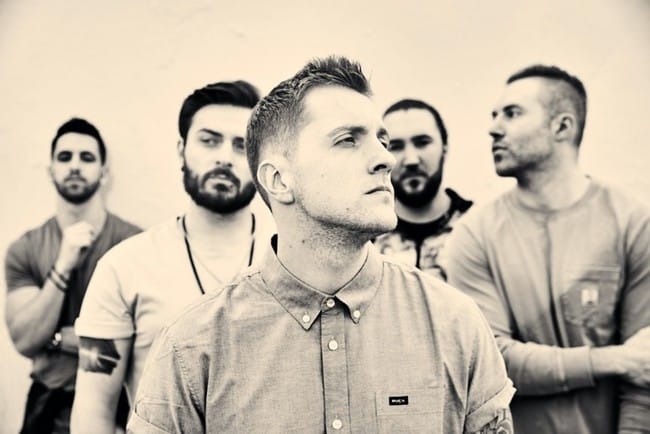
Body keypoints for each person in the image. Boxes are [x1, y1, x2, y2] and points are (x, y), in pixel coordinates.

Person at [127, 56, 514, 434]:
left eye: (381, 140)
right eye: (348, 140)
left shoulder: (455, 324)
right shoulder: (193, 346)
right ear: (279, 180)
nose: (386, 159)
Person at [447, 64, 650, 433]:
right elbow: (492, 362)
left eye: (512, 113)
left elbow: (644, 372)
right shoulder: (473, 234)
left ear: (562, 127)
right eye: (494, 115)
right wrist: (612, 359)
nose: (494, 128)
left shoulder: (632, 222)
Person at [71, 81, 274, 434]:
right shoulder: (124, 267)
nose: (224, 157)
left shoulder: (291, 257)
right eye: (209, 140)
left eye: (241, 145)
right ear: (182, 150)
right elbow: (93, 413)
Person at [4, 118, 141, 434]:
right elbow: (25, 340)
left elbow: (144, 338)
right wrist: (62, 265)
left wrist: (60, 339)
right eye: (65, 157)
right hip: (47, 408)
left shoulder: (133, 244)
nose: (75, 166)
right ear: (50, 170)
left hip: (117, 408)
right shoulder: (24, 249)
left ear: (104, 172)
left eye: (87, 158)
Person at [374, 99, 472, 280]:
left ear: (445, 147)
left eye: (422, 142)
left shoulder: (478, 228)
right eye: (395, 146)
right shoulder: (365, 236)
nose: (411, 160)